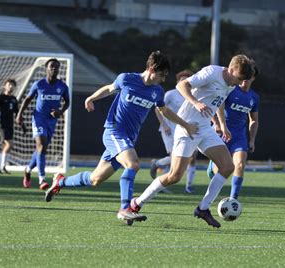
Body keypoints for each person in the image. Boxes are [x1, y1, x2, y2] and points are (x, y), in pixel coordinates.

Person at [44, 51, 198, 223]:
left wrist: (186, 125)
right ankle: (125, 208)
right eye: (161, 75)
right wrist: (91, 98)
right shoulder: (127, 79)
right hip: (114, 132)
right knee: (133, 164)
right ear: (152, 69)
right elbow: (109, 89)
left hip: (128, 139)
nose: (163, 79)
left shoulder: (157, 91)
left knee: (95, 179)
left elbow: (164, 111)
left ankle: (60, 182)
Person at [129, 54, 254, 228]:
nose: (240, 83)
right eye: (239, 79)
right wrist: (195, 103)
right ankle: (137, 203)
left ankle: (203, 208)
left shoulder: (231, 84)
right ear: (231, 69)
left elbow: (220, 101)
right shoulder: (211, 72)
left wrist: (221, 125)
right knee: (174, 176)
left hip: (204, 128)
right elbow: (182, 85)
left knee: (228, 167)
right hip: (188, 127)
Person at [15, 58, 70, 190]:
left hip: (51, 121)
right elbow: (28, 99)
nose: (54, 69)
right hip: (38, 118)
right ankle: (42, 179)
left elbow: (67, 102)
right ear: (46, 68)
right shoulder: (38, 84)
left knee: (42, 149)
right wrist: (19, 115)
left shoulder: (62, 87)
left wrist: (60, 111)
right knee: (40, 145)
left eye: (56, 67)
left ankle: (28, 170)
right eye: (51, 66)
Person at [207, 66, 260, 202]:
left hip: (239, 137)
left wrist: (252, 139)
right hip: (221, 133)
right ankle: (212, 168)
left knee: (240, 164)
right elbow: (215, 105)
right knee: (220, 169)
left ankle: (233, 200)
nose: (244, 81)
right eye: (242, 77)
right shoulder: (230, 89)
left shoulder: (254, 97)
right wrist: (218, 124)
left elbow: (253, 120)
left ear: (253, 78)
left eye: (248, 78)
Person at [150, 70, 199, 194]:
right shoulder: (171, 94)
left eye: (187, 80)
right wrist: (163, 124)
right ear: (178, 82)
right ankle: (157, 164)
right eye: (182, 80)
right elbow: (158, 109)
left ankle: (188, 186)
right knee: (175, 157)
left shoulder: (193, 95)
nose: (184, 82)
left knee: (191, 157)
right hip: (169, 129)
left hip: (184, 129)